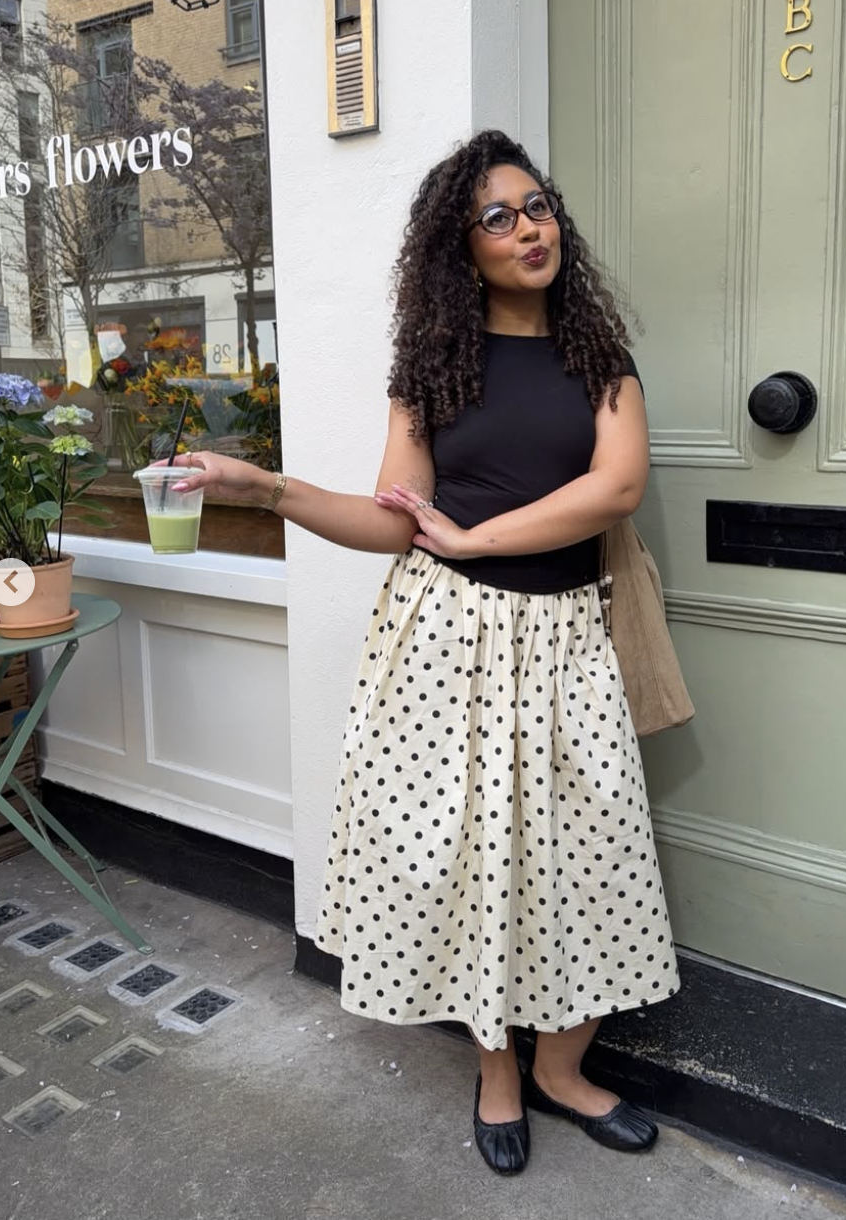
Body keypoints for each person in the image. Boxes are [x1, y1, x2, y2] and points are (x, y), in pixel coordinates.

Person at [170, 130, 680, 1175]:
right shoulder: (431, 368)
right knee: (469, 862)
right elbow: (395, 519)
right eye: (497, 216)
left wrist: (477, 535)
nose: (527, 227)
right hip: (445, 641)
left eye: (537, 206)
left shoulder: (598, 358)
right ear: (461, 245)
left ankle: (560, 1067)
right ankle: (499, 1071)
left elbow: (614, 487)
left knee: (592, 857)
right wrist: (265, 488)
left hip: (563, 637)